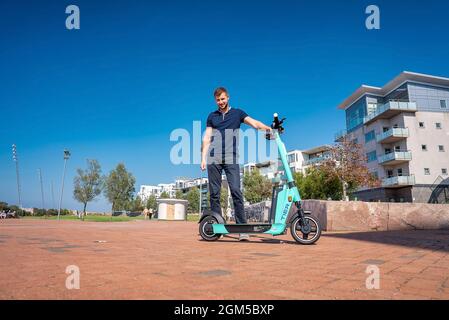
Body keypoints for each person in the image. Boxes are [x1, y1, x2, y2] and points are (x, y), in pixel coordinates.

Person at [201, 87, 272, 241]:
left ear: (228, 98)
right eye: (218, 100)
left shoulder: (238, 113)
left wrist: (267, 128)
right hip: (214, 158)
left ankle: (242, 229)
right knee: (214, 193)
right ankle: (217, 226)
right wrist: (203, 157)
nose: (221, 102)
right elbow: (207, 137)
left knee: (235, 191)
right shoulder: (211, 116)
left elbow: (254, 123)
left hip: (231, 158)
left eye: (223, 99)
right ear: (216, 101)